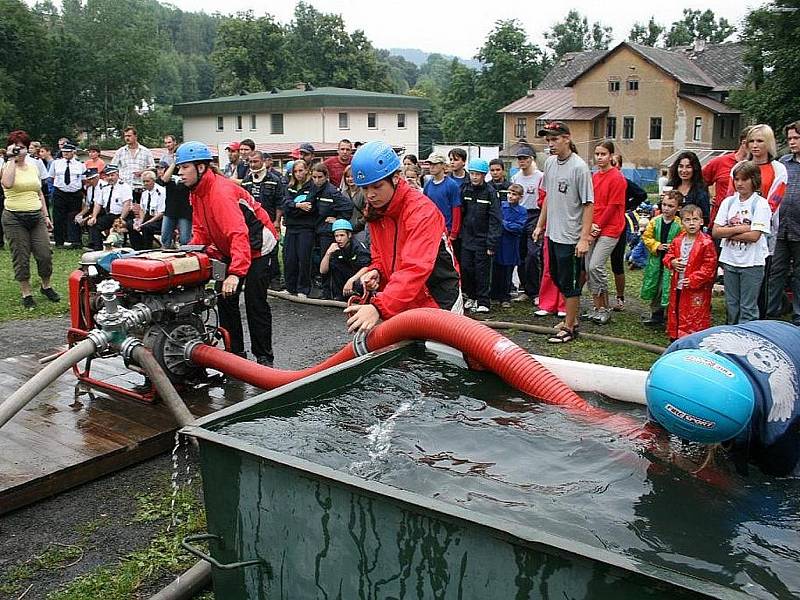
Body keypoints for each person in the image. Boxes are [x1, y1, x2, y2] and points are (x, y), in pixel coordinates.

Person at [647, 320, 800, 476]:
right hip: (767, 331)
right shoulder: (673, 361)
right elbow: (656, 429)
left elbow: (783, 478)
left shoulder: (775, 421)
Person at [176, 141, 279, 367]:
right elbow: (200, 229)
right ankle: (235, 355)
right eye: (179, 168)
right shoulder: (196, 193)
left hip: (259, 247)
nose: (179, 173)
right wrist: (190, 253)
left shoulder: (220, 192)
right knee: (225, 299)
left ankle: (264, 359)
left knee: (255, 303)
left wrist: (235, 273)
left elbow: (238, 234)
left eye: (184, 167)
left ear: (201, 168)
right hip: (233, 249)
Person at [344, 141, 462, 333]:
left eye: (377, 186)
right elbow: (380, 257)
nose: (370, 195)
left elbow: (415, 268)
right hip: (401, 297)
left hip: (437, 297)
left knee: (448, 358)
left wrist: (378, 307)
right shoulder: (376, 212)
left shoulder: (422, 211)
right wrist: (376, 272)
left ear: (396, 178)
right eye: (365, 188)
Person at [532, 121, 593, 343]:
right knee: (557, 277)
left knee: (571, 283)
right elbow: (548, 195)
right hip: (553, 233)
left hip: (571, 236)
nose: (551, 144)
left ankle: (569, 327)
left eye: (555, 139)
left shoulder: (579, 167)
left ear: (567, 138)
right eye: (547, 140)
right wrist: (540, 225)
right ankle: (571, 319)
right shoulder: (549, 163)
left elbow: (588, 204)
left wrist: (584, 238)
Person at [1, 130, 59, 308]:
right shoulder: (6, 166)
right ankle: (26, 293)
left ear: (27, 148)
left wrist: (46, 215)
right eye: (15, 147)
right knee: (21, 257)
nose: (19, 150)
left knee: (44, 255)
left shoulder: (34, 166)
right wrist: (11, 158)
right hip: (14, 217)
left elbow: (39, 192)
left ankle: (46, 286)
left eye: (22, 147)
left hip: (36, 216)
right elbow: (8, 184)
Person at [713, 161, 771, 324]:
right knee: (732, 304)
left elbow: (754, 236)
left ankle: (748, 338)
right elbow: (716, 231)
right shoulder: (728, 202)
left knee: (748, 307)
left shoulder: (760, 204)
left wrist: (729, 231)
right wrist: (742, 228)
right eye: (736, 179)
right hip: (730, 260)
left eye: (744, 179)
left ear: (753, 180)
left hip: (752, 263)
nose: (739, 183)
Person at [742, 124, 788, 318]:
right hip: (739, 229)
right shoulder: (740, 168)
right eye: (751, 141)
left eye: (760, 141)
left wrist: (754, 224)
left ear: (768, 143)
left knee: (761, 280)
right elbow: (731, 197)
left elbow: (774, 202)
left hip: (763, 232)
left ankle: (759, 318)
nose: (755, 145)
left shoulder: (778, 169)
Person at [584, 141, 626, 324]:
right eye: (597, 154)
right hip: (594, 225)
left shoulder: (617, 178)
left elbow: (612, 207)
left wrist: (597, 227)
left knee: (596, 266)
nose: (599, 157)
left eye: (603, 154)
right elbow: (591, 203)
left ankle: (605, 307)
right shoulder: (594, 176)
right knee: (588, 267)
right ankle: (596, 306)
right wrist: (590, 225)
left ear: (610, 156)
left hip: (610, 228)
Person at [663, 204, 717, 341]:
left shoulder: (706, 243)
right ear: (682, 223)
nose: (691, 223)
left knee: (695, 314)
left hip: (696, 289)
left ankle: (692, 338)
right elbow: (668, 256)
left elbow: (709, 266)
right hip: (678, 285)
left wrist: (694, 279)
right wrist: (672, 262)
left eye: (695, 219)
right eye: (687, 220)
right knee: (676, 309)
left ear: (701, 221)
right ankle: (675, 336)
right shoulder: (678, 240)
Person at [460, 158, 501, 313]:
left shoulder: (490, 193)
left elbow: (495, 219)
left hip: (483, 240)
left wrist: (491, 243)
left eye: (478, 174)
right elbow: (461, 213)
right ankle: (471, 297)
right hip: (467, 239)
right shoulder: (465, 189)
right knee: (466, 268)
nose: (475, 177)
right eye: (472, 174)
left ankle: (484, 301)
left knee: (482, 271)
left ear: (484, 175)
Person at [769, 121, 800, 324]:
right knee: (775, 271)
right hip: (780, 228)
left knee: (799, 274)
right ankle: (770, 311)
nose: (792, 142)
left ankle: (798, 314)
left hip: (799, 229)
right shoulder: (783, 163)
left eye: (796, 138)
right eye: (789, 138)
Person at [608, 153, 647, 312]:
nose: (611, 165)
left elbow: (642, 194)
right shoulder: (598, 179)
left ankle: (619, 297)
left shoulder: (624, 182)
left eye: (614, 163)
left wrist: (627, 207)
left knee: (616, 262)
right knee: (589, 263)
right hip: (600, 225)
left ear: (619, 166)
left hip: (618, 225)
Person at [308, 163, 353, 299]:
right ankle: (324, 288)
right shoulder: (315, 189)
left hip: (327, 232)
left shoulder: (332, 191)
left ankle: (328, 291)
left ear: (326, 176)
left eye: (319, 177)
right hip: (318, 230)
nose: (316, 180)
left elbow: (347, 206)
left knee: (327, 261)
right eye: (314, 177)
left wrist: (338, 220)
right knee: (317, 261)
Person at [242, 151, 284, 288]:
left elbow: (279, 202)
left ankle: (275, 279)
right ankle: (260, 279)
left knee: (272, 251)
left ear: (263, 162)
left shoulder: (274, 180)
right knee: (255, 252)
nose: (253, 165)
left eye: (256, 162)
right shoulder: (246, 180)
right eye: (250, 162)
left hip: (270, 222)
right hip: (252, 225)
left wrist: (277, 221)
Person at [640, 190, 683, 327]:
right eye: (664, 204)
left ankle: (670, 315)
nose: (666, 208)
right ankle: (656, 314)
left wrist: (672, 248)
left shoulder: (680, 224)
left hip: (671, 263)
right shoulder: (655, 221)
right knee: (656, 287)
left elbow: (682, 241)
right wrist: (656, 245)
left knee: (669, 287)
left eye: (670, 206)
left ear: (678, 208)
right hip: (656, 261)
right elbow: (646, 237)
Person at [511, 146, 545, 304]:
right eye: (519, 159)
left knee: (533, 254)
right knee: (520, 254)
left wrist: (541, 222)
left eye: (525, 158)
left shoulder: (540, 177)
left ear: (532, 159)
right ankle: (525, 288)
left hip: (535, 215)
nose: (522, 161)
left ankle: (536, 291)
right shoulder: (516, 177)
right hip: (520, 214)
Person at [703, 127, 750, 225]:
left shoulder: (758, 166)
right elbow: (698, 181)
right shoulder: (720, 162)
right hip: (720, 221)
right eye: (753, 142)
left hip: (746, 223)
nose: (756, 146)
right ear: (744, 142)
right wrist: (709, 197)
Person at [282, 159, 315, 298]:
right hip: (291, 228)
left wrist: (294, 208)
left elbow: (309, 207)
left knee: (304, 258)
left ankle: (303, 289)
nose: (298, 174)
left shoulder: (312, 187)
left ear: (307, 170)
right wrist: (297, 206)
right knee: (289, 258)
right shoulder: (290, 187)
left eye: (301, 170)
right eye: (295, 171)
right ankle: (290, 287)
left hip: (306, 228)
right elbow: (285, 204)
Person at [491, 182, 527, 308]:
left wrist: (504, 223)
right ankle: (494, 294)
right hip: (498, 243)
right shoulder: (501, 206)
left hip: (510, 246)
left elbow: (519, 227)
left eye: (514, 194)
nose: (511, 196)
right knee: (496, 269)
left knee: (507, 272)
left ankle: (505, 296)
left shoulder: (522, 211)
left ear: (520, 197)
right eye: (509, 193)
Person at [319, 219, 371, 301]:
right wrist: (328, 254)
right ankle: (334, 295)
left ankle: (358, 297)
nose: (339, 239)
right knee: (333, 266)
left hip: (355, 277)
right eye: (336, 236)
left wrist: (351, 280)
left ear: (349, 235)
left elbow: (367, 267)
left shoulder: (357, 247)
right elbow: (323, 271)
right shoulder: (335, 247)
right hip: (342, 280)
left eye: (342, 235)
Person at [48, 141, 86, 248]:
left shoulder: (80, 164)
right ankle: (59, 241)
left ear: (73, 152)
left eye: (68, 152)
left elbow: (83, 180)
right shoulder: (56, 163)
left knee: (74, 217)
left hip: (74, 194)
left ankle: (75, 240)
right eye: (64, 152)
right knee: (58, 217)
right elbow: (51, 177)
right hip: (60, 192)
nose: (65, 154)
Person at [87, 164, 133, 246]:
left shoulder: (124, 187)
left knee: (121, 227)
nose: (110, 178)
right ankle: (98, 248)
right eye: (108, 175)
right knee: (94, 224)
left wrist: (121, 219)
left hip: (124, 215)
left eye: (112, 175)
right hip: (110, 215)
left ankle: (125, 246)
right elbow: (98, 204)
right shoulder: (104, 188)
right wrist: (94, 217)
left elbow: (127, 205)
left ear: (117, 175)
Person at [422, 153, 462, 241]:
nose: (431, 167)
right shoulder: (428, 185)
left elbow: (456, 209)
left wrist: (454, 232)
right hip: (431, 230)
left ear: (443, 165)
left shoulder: (451, 185)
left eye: (435, 164)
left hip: (446, 230)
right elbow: (424, 208)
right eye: (430, 164)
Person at [667, 151, 710, 223]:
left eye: (688, 167)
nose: (684, 170)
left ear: (695, 169)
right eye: (681, 166)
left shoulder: (700, 191)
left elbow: (705, 217)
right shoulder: (671, 186)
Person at [111, 126, 155, 198]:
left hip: (140, 187)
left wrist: (142, 172)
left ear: (135, 136)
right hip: (124, 188)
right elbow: (112, 168)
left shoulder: (146, 151)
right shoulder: (120, 151)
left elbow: (153, 167)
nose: (127, 138)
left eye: (129, 136)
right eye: (125, 136)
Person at [157, 161, 192, 248]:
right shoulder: (170, 173)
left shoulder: (187, 171)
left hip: (185, 211)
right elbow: (164, 180)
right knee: (165, 237)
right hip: (170, 210)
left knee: (185, 239)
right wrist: (173, 163)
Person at [128, 170, 164, 250]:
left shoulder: (161, 192)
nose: (145, 184)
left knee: (146, 227)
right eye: (143, 181)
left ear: (153, 180)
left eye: (147, 181)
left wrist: (147, 222)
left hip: (159, 220)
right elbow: (142, 209)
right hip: (148, 217)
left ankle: (147, 249)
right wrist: (140, 221)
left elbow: (161, 212)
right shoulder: (144, 193)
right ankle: (137, 248)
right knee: (130, 224)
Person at [76, 168, 102, 249]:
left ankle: (94, 243)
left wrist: (89, 217)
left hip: (102, 211)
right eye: (89, 179)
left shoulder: (103, 186)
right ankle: (76, 241)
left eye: (92, 179)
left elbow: (100, 206)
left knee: (91, 221)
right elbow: (88, 205)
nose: (90, 181)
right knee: (74, 217)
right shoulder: (90, 189)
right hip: (93, 210)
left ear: (97, 177)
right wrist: (79, 215)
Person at [340, 165, 367, 239]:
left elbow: (368, 211)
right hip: (347, 229)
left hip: (361, 229)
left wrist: (360, 223)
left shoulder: (363, 192)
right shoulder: (343, 194)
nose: (350, 179)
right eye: (348, 177)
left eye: (352, 176)